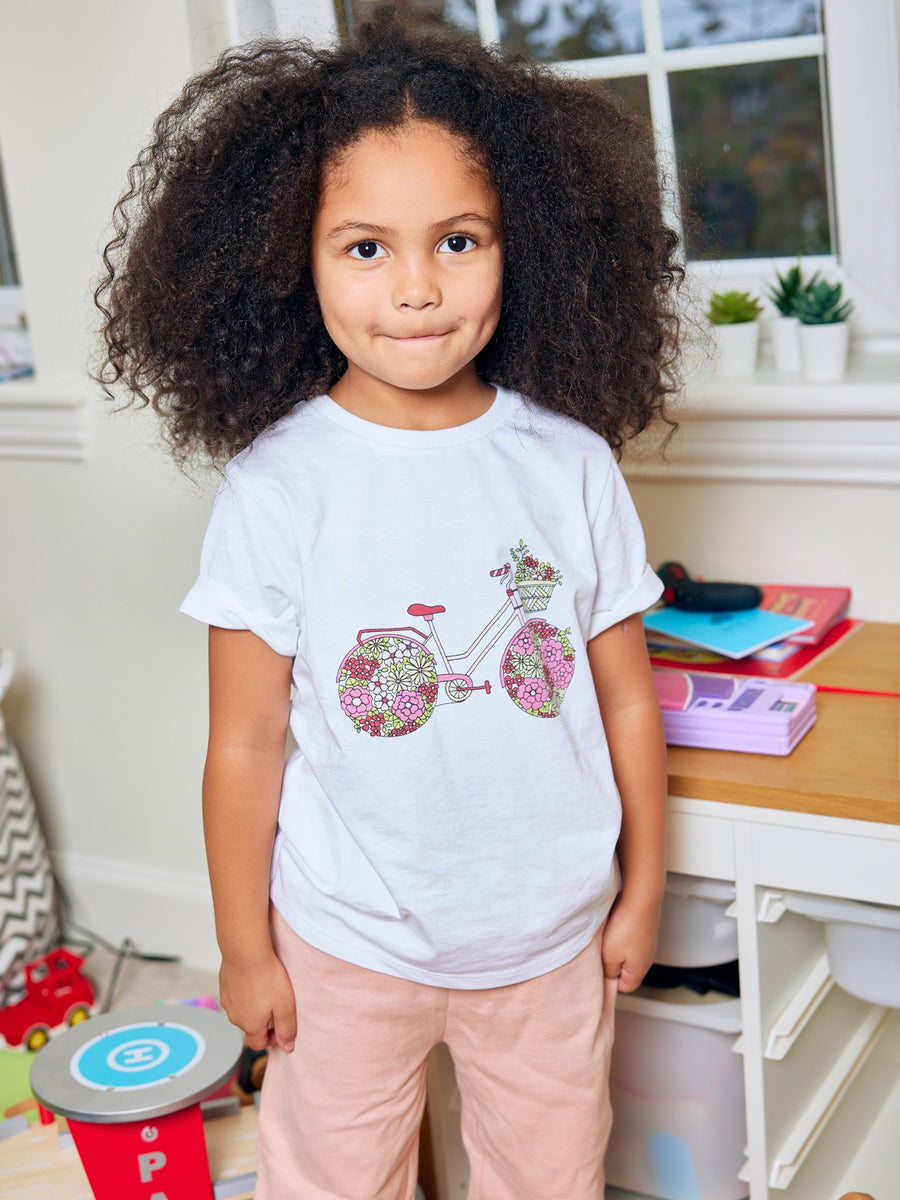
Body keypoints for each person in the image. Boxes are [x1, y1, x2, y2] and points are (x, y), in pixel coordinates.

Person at [96, 7, 682, 1198]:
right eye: (365, 248)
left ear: (527, 244)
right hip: (346, 943)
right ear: (288, 262)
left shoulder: (569, 465)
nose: (416, 288)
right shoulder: (278, 485)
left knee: (553, 1178)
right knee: (333, 1180)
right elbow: (246, 743)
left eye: (457, 240)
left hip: (550, 941)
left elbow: (626, 701)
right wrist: (245, 947)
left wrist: (647, 886)